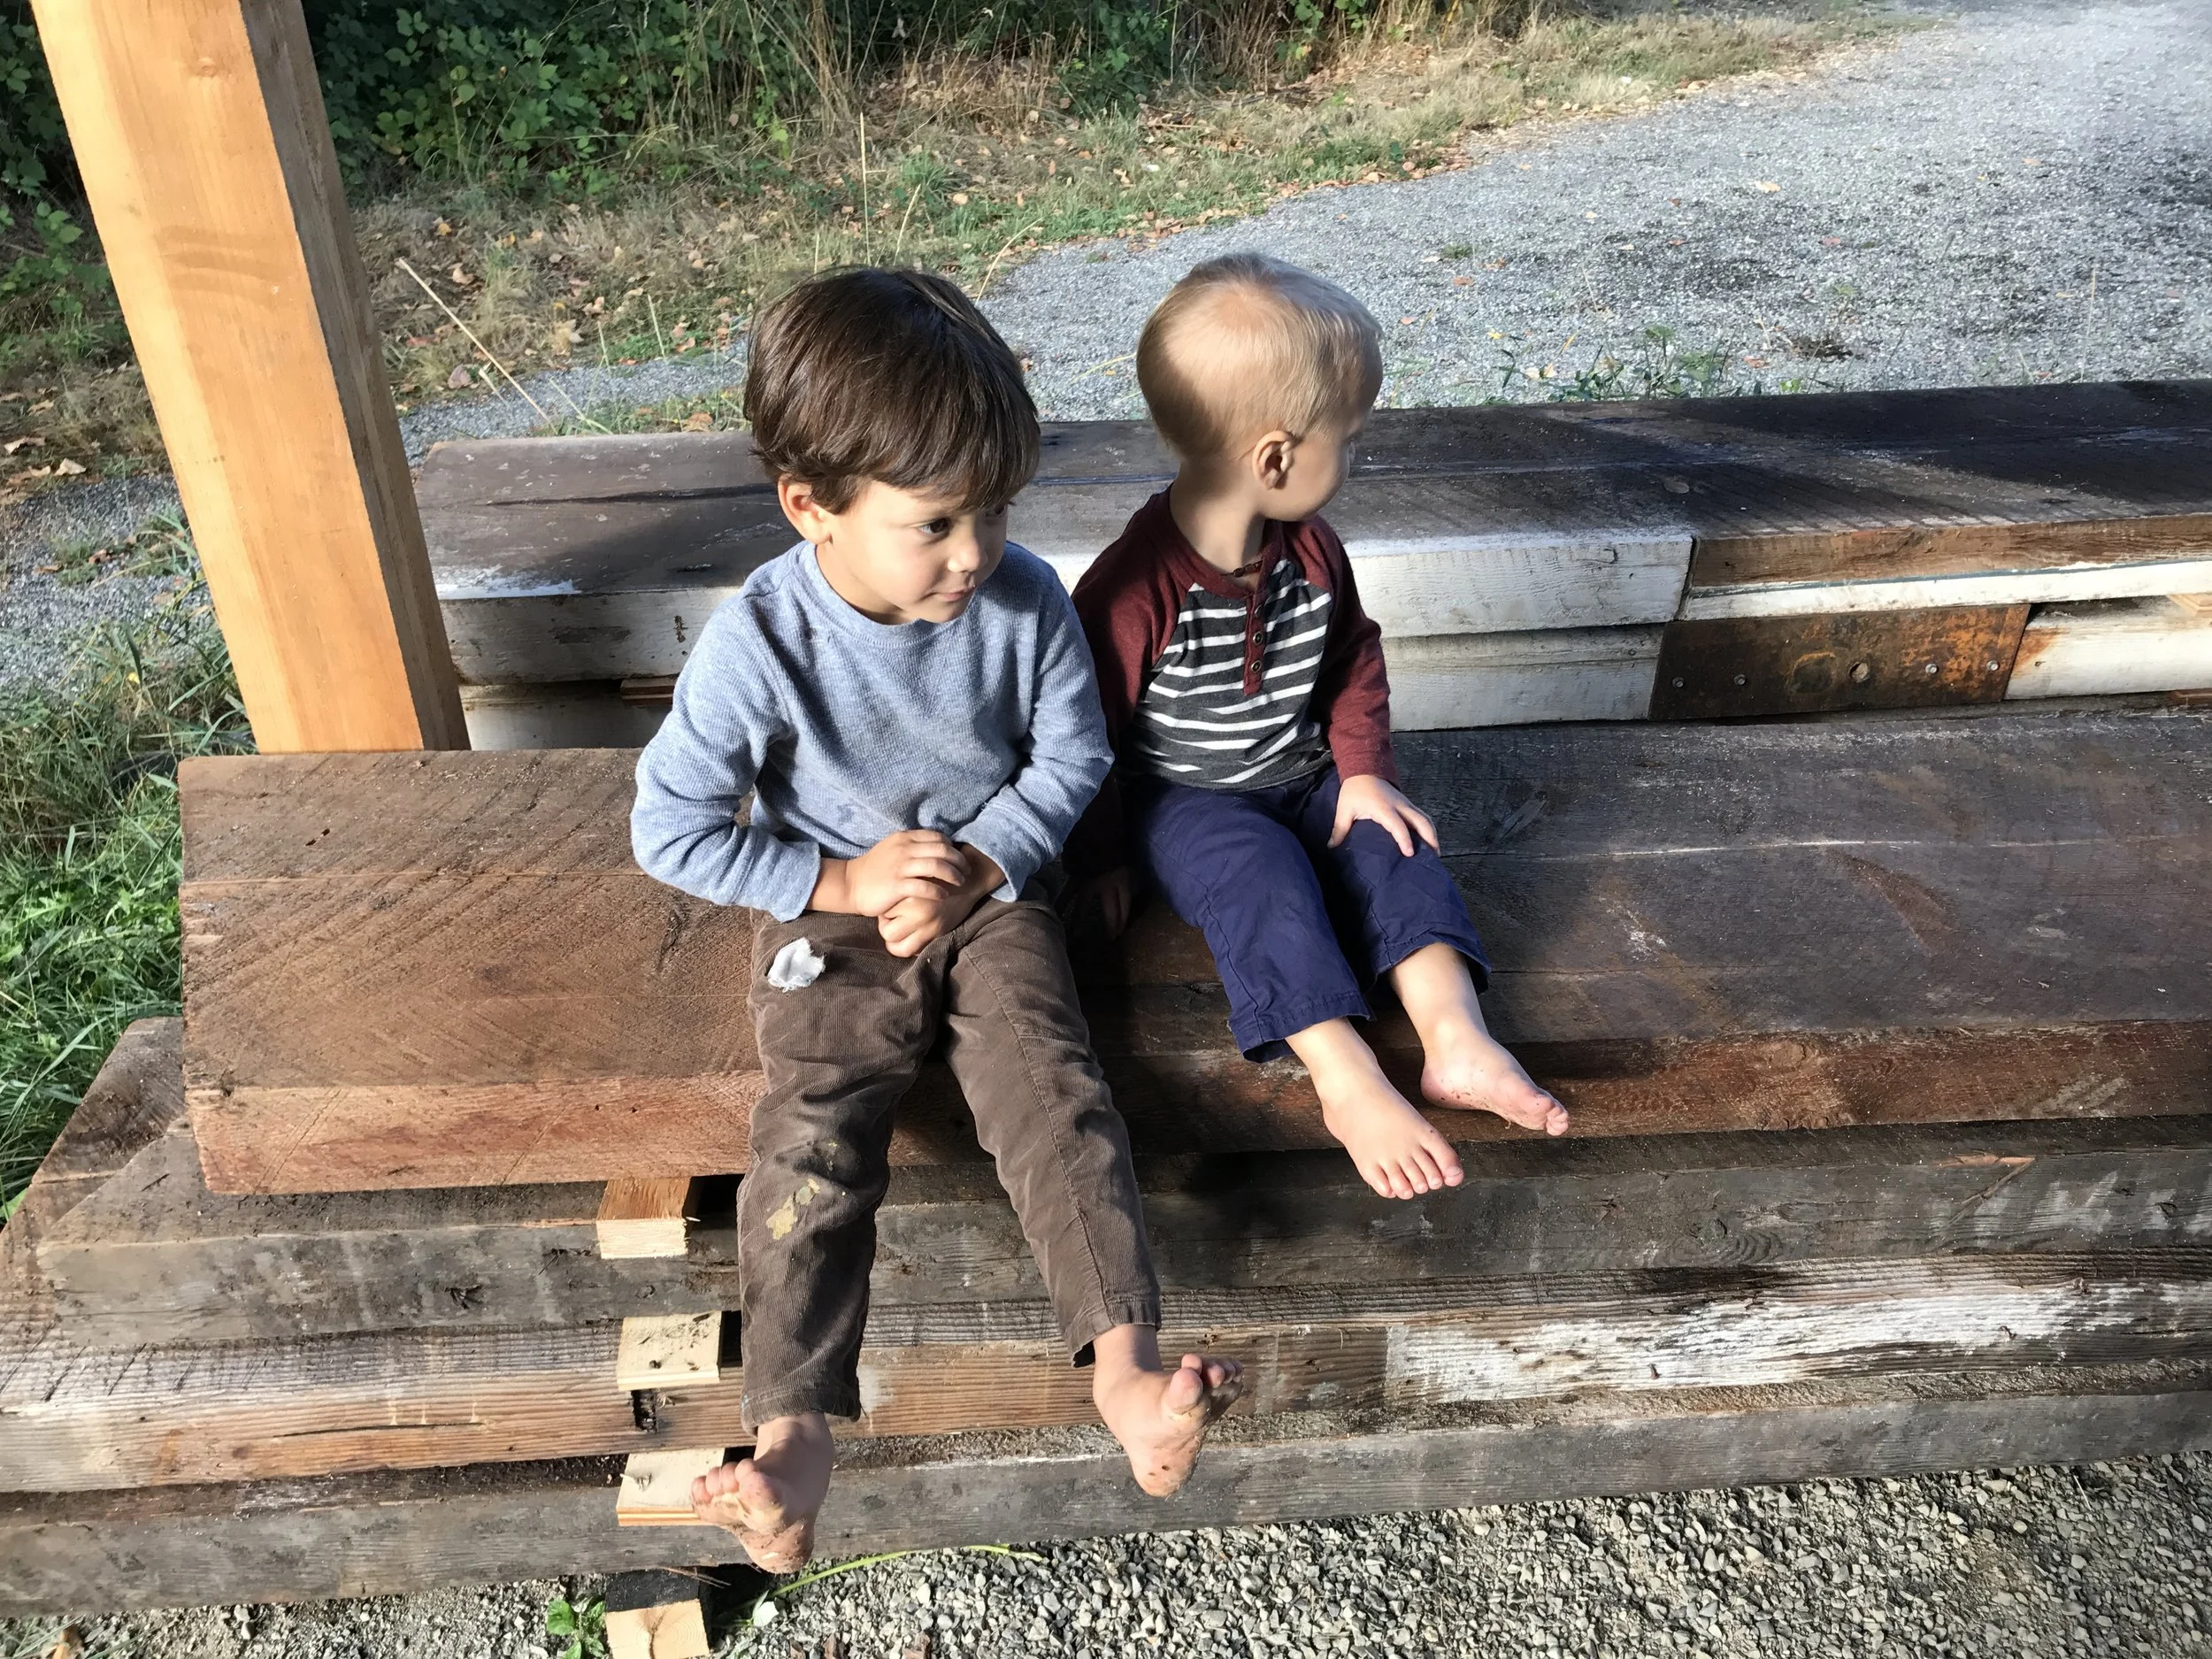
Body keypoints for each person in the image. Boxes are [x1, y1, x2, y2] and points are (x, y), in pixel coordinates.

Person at [631, 266, 1242, 1571]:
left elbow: (1073, 758)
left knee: (1053, 1090)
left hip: (994, 895)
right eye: (937, 521)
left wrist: (986, 862)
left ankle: (1126, 1368)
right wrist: (843, 881)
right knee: (812, 1130)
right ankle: (792, 1433)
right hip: (833, 918)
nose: (975, 551)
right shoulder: (760, 645)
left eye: (997, 509)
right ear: (811, 506)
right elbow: (669, 827)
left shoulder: (1021, 600)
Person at [1065, 252, 1569, 1204]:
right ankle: (1345, 1072)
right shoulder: (1134, 591)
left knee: (1391, 844)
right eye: (1350, 439)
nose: (1355, 458)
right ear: (1275, 459)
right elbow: (1083, 737)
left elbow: (1350, 659)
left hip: (1305, 772)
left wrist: (1365, 772)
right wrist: (1100, 861)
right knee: (1261, 880)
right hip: (1188, 799)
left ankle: (1456, 1038)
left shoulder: (1310, 550)